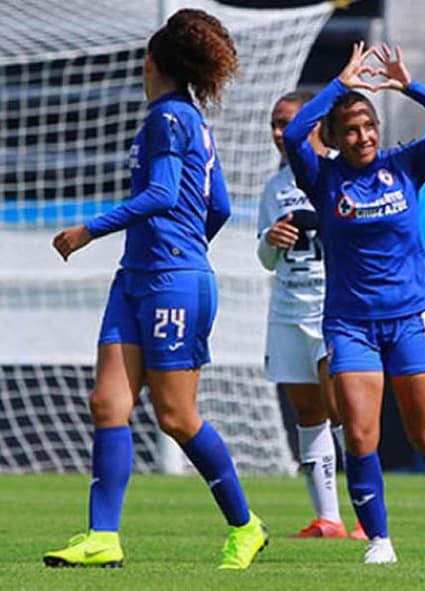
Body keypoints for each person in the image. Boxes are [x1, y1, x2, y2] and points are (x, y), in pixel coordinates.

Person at [44, 9, 268, 570]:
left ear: (151, 62)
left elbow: (164, 195)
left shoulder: (168, 118)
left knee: (176, 416)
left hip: (171, 282)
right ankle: (103, 537)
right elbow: (219, 206)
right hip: (138, 277)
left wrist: (88, 230)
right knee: (108, 403)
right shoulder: (190, 121)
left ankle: (246, 526)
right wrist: (187, 245)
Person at [283, 41, 425, 564]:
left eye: (369, 126)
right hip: (351, 325)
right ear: (335, 138)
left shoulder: (406, 165)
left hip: (412, 317)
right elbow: (296, 132)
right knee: (360, 435)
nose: (364, 136)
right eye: (351, 130)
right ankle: (379, 540)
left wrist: (409, 87)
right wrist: (340, 86)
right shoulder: (322, 178)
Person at [256, 89, 366, 540]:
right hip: (287, 308)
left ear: (314, 124)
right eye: (275, 124)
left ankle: (368, 517)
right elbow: (266, 260)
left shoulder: (341, 172)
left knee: (342, 410)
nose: (279, 132)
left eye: (287, 122)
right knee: (307, 411)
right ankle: (328, 518)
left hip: (332, 308)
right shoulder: (275, 187)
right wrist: (271, 240)